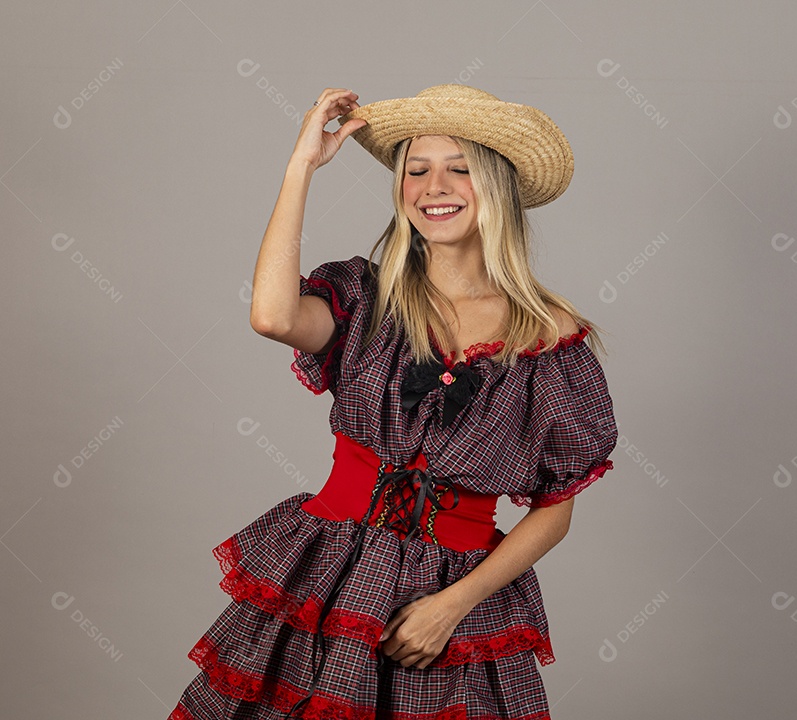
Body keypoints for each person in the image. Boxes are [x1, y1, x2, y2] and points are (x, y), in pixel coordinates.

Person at [167, 84, 619, 720]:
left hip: (456, 598)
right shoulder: (368, 299)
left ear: (497, 189)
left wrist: (451, 605)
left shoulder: (547, 338)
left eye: (459, 169)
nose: (435, 186)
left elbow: (555, 509)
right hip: (333, 574)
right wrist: (302, 168)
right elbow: (271, 316)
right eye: (417, 170)